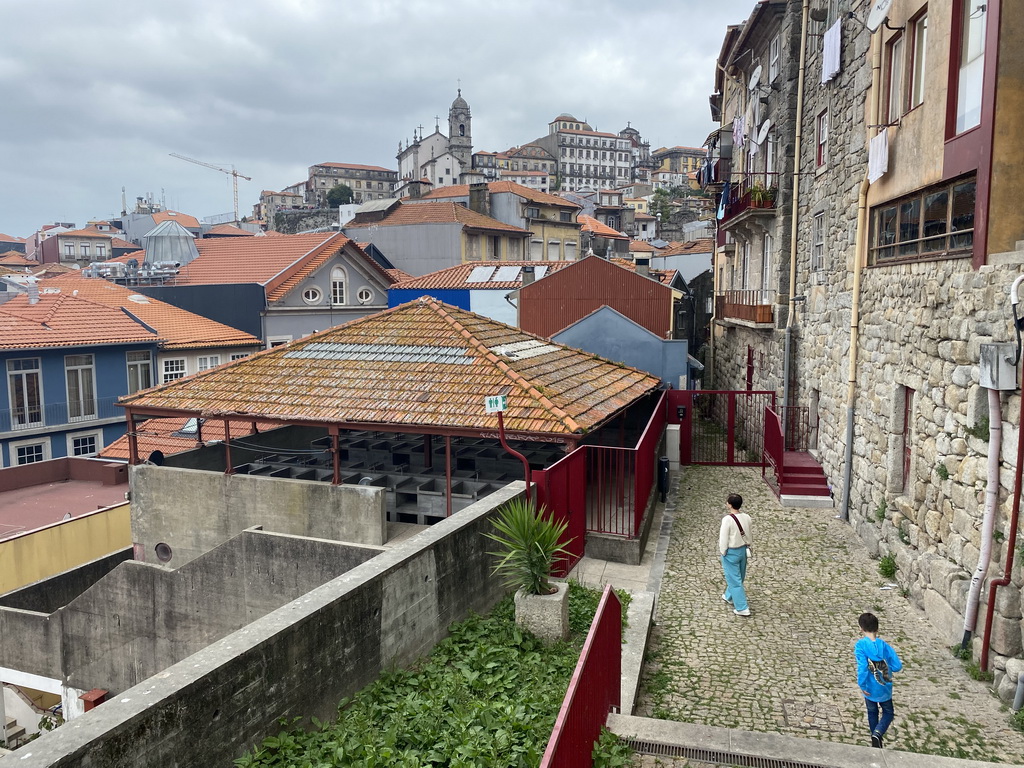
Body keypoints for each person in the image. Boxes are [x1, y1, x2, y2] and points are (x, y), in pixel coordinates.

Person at [855, 612, 903, 748]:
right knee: (888, 712)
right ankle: (878, 732)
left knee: (872, 712)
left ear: (861, 628)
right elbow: (897, 666)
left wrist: (862, 684)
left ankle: (875, 738)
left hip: (869, 687)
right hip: (885, 687)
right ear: (877, 629)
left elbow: (863, 667)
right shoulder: (885, 646)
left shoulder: (860, 646)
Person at [719, 493, 752, 617]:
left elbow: (723, 538)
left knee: (734, 579)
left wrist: (723, 551)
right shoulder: (747, 517)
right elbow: (749, 533)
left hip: (731, 551)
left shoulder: (727, 519)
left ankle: (742, 607)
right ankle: (729, 595)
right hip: (742, 549)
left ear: (730, 505)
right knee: (740, 575)